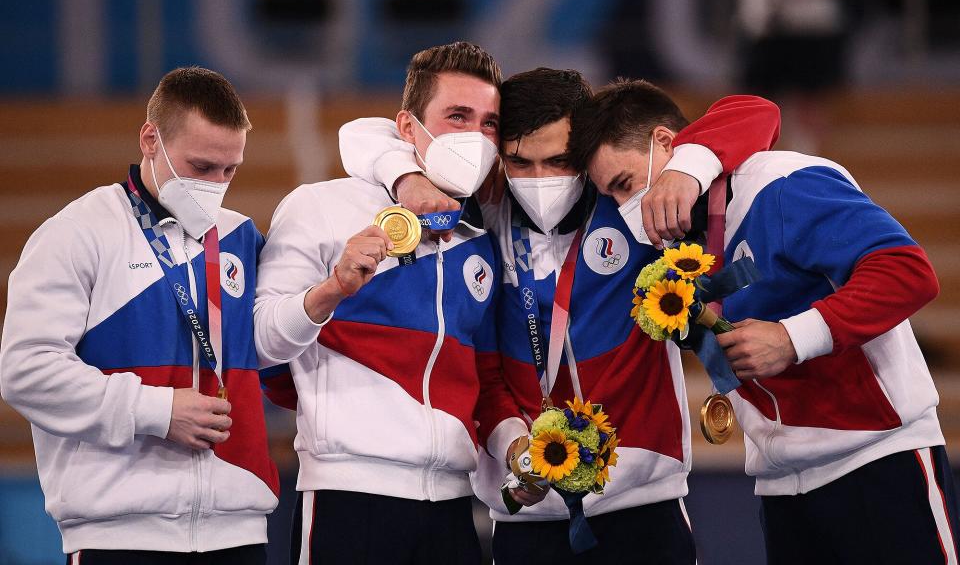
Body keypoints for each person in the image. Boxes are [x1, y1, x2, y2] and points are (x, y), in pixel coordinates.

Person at [338, 67, 781, 563]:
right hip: (527, 513)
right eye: (520, 162)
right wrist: (514, 448)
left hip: (644, 502)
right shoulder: (481, 215)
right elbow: (359, 133)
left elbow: (756, 112)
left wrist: (685, 170)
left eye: (559, 160)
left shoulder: (630, 203)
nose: (540, 179)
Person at [568, 78, 956, 564]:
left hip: (876, 461)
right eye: (612, 194)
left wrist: (792, 338)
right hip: (780, 485)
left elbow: (909, 273)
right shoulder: (674, 240)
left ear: (667, 143)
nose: (628, 208)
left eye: (625, 183)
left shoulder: (782, 183)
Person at [0, 67, 278, 563]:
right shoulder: (77, 233)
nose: (216, 185)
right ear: (151, 139)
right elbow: (26, 371)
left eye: (229, 170)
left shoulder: (240, 238)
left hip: (239, 533)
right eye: (200, 166)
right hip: (120, 536)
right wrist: (156, 411)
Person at [254, 41, 503, 565]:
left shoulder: (482, 232)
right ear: (408, 128)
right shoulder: (319, 206)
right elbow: (258, 342)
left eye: (488, 123)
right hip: (349, 496)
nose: (475, 138)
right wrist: (332, 290)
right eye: (457, 116)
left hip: (452, 505)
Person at [720, 0, 866, 154]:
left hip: (812, 24)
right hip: (762, 23)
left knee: (810, 104)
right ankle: (754, 166)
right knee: (753, 104)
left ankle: (807, 167)